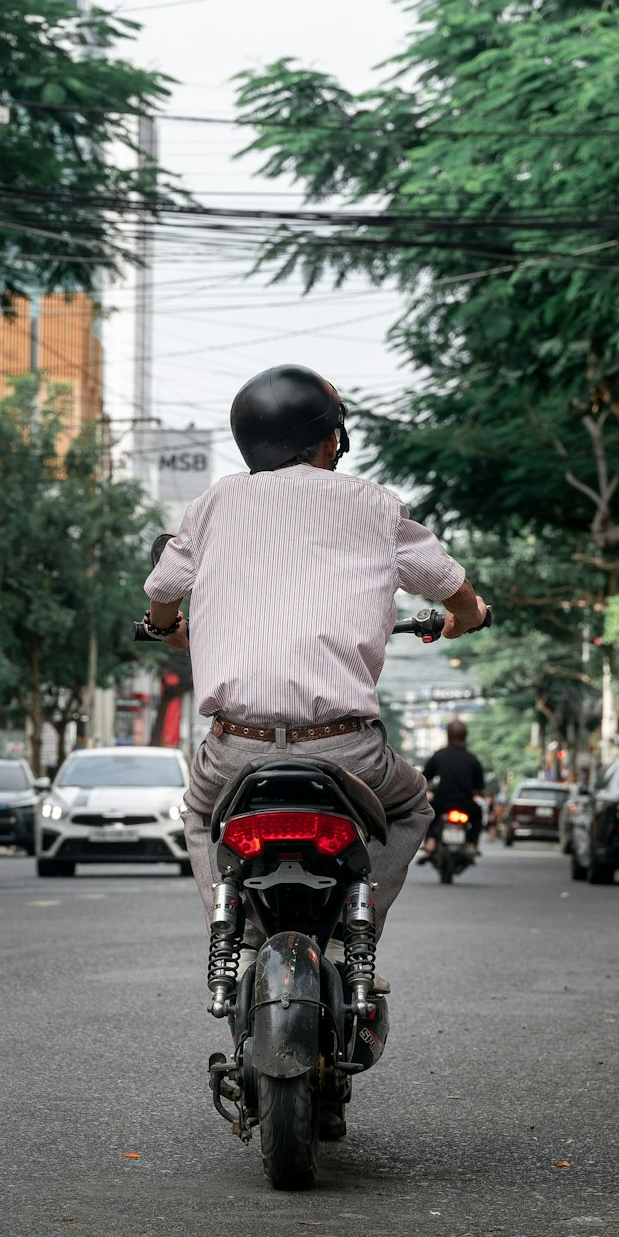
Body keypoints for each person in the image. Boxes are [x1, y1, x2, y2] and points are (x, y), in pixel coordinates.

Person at [143, 363, 488, 970]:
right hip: (347, 754)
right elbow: (451, 586)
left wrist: (170, 630)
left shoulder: (216, 502)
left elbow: (164, 587)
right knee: (413, 806)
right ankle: (349, 936)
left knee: (199, 813)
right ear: (331, 439)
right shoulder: (376, 506)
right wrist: (467, 614)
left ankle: (237, 939)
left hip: (235, 752)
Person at [419, 719, 486, 858]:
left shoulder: (439, 755)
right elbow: (479, 787)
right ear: (465, 736)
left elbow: (424, 778)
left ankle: (430, 841)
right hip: (466, 804)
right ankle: (472, 844)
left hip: (442, 803)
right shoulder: (472, 759)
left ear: (448, 736)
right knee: (478, 813)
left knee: (427, 813)